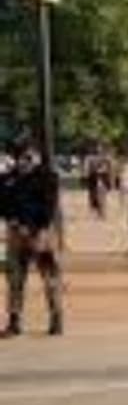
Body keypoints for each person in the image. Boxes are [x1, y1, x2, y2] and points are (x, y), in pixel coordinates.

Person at [4, 144, 63, 337]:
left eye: (30, 157)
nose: (25, 161)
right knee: (14, 279)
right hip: (15, 234)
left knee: (49, 278)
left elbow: (49, 206)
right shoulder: (9, 178)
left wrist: (33, 228)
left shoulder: (47, 178)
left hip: (41, 234)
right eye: (22, 157)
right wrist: (12, 219)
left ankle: (56, 318)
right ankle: (14, 320)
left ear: (37, 158)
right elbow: (2, 202)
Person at [84, 144, 113, 220]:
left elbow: (110, 168)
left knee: (101, 196)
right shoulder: (90, 158)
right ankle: (98, 212)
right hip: (94, 178)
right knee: (94, 196)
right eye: (97, 149)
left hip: (102, 178)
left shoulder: (106, 158)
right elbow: (87, 169)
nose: (98, 150)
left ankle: (102, 213)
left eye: (100, 149)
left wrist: (109, 179)